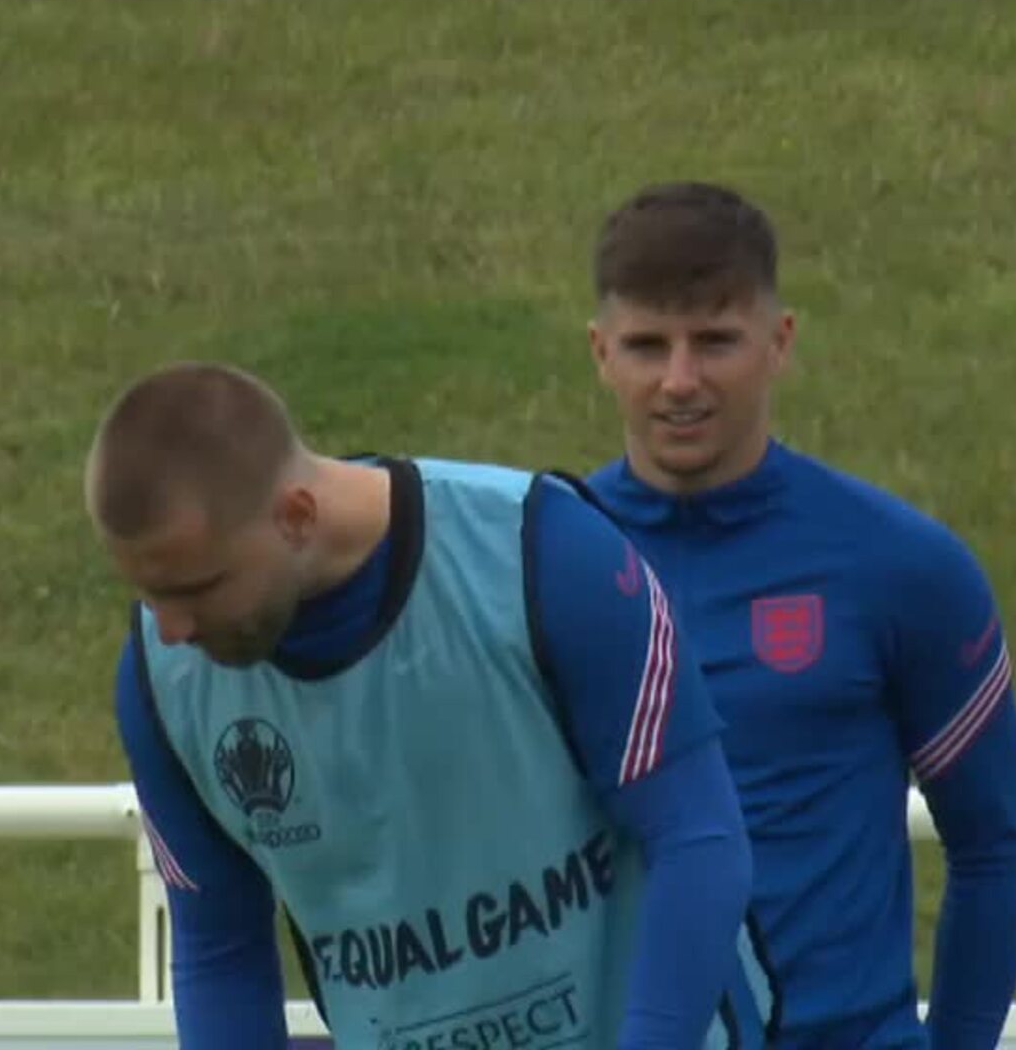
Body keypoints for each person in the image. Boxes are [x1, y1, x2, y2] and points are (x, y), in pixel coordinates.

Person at [88, 361, 776, 1050]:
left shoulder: (544, 556)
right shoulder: (163, 681)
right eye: (151, 595)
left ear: (296, 516)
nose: (172, 628)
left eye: (198, 588)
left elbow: (698, 839)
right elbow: (220, 948)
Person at [579, 182, 1016, 1049]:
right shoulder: (539, 564)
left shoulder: (901, 567)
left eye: (716, 341)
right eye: (647, 346)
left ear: (779, 343)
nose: (680, 381)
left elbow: (994, 848)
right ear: (601, 353)